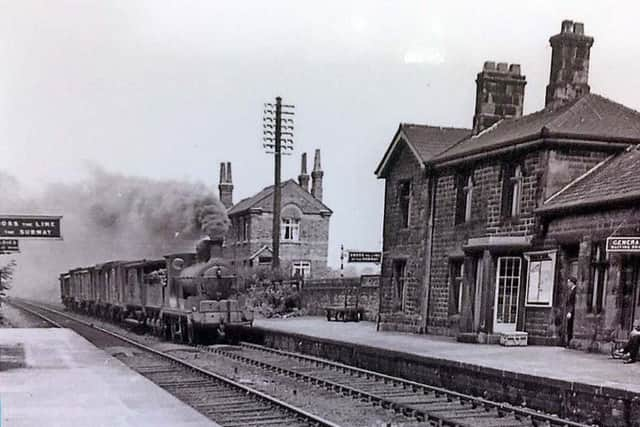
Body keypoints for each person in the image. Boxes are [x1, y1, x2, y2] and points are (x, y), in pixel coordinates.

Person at [565, 276, 577, 346]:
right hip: (570, 310)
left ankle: (569, 342)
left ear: (572, 283)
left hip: (572, 312)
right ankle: (568, 341)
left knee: (570, 326)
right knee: (569, 326)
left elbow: (572, 303)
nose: (568, 284)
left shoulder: (575, 291)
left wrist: (570, 312)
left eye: (569, 282)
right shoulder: (572, 290)